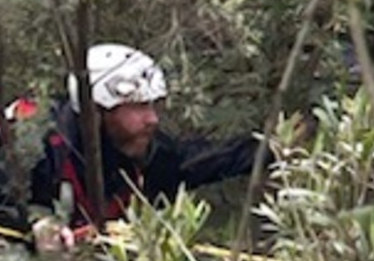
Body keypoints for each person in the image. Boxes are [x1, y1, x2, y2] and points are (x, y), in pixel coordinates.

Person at [28, 43, 267, 246]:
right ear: (96, 111)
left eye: (151, 106)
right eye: (138, 107)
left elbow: (211, 158)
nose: (152, 119)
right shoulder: (35, 148)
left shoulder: (146, 156)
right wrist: (35, 228)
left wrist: (275, 149)